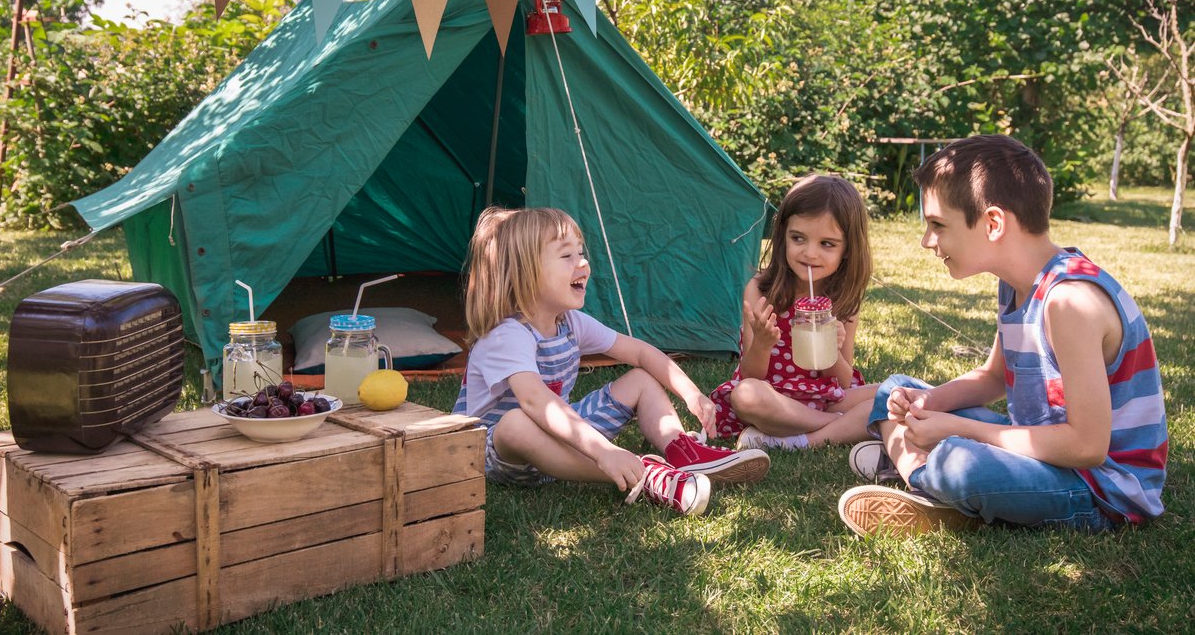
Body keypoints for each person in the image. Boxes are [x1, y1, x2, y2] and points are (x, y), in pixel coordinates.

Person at [838, 135, 1167, 536]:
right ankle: (940, 491)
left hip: (1097, 487)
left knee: (959, 462)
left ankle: (926, 481)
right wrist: (929, 402)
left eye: (938, 225)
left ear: (993, 223)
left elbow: (1087, 447)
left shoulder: (1068, 303)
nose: (927, 241)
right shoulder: (1017, 284)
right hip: (1038, 453)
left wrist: (960, 429)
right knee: (893, 391)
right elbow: (993, 377)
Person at [453, 206, 770, 516]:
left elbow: (641, 353)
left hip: (559, 437)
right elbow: (536, 402)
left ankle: (683, 452)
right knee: (515, 424)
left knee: (641, 379)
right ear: (524, 272)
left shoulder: (570, 322)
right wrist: (604, 451)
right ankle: (645, 475)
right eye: (567, 256)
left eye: (580, 252)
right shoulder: (507, 334)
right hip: (498, 455)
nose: (583, 263)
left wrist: (692, 394)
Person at [709, 174, 878, 451]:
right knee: (746, 395)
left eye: (827, 244)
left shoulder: (844, 301)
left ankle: (795, 440)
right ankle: (839, 424)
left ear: (847, 249)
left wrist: (831, 353)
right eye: (798, 238)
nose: (810, 253)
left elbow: (844, 382)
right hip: (772, 396)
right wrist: (762, 344)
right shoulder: (760, 290)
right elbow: (751, 375)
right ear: (783, 235)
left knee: (891, 394)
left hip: (825, 395)